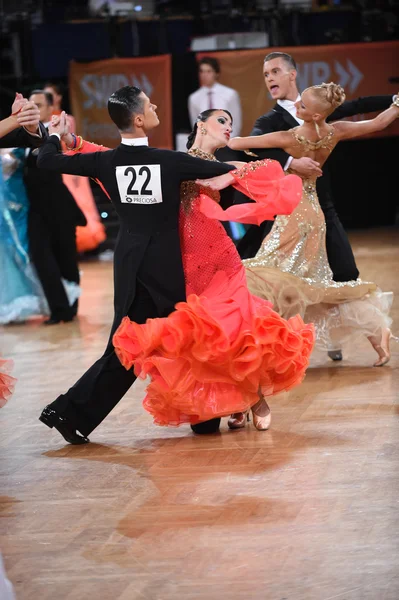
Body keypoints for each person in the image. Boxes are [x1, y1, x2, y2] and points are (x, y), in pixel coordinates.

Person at [57, 107, 313, 434]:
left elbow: (265, 171)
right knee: (205, 338)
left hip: (220, 257)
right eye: (221, 120)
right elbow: (114, 158)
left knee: (238, 327)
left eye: (232, 123)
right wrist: (75, 142)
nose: (227, 127)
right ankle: (231, 400)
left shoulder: (222, 164)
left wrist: (235, 173)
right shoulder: (171, 160)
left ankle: (255, 395)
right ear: (200, 125)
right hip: (184, 260)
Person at [35, 85, 251, 445]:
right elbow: (226, 170)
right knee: (183, 336)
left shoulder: (105, 162)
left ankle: (71, 412)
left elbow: (46, 161)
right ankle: (202, 414)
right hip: (164, 268)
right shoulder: (167, 160)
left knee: (129, 343)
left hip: (130, 262)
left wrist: (54, 138)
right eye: (150, 105)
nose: (155, 108)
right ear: (138, 119)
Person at [227, 82, 398, 372]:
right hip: (315, 213)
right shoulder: (336, 130)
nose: (297, 107)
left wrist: (222, 134)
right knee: (311, 284)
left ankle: (270, 353)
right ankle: (374, 331)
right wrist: (396, 104)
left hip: (293, 213)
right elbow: (379, 123)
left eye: (303, 106)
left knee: (273, 277)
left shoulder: (291, 136)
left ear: (316, 115)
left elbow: (239, 144)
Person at [24, 89, 85, 325]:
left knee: (66, 258)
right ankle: (58, 308)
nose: (34, 109)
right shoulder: (22, 135)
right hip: (35, 208)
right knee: (40, 256)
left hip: (59, 206)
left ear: (50, 108)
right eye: (31, 105)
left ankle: (71, 306)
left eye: (38, 105)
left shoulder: (57, 132)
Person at [44, 81, 106, 254]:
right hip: (56, 168)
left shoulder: (68, 119)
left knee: (80, 204)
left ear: (58, 97)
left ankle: (81, 244)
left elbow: (70, 145)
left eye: (51, 95)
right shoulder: (43, 121)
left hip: (70, 168)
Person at [0, 146, 48, 324]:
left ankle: (39, 301)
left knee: (23, 251)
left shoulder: (20, 147)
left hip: (19, 204)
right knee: (6, 257)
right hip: (3, 210)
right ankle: (10, 307)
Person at [188, 57, 242, 138]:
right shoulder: (194, 98)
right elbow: (195, 125)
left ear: (216, 73)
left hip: (227, 142)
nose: (204, 75)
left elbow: (236, 124)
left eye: (209, 71)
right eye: (202, 71)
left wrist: (228, 143)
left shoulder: (230, 94)